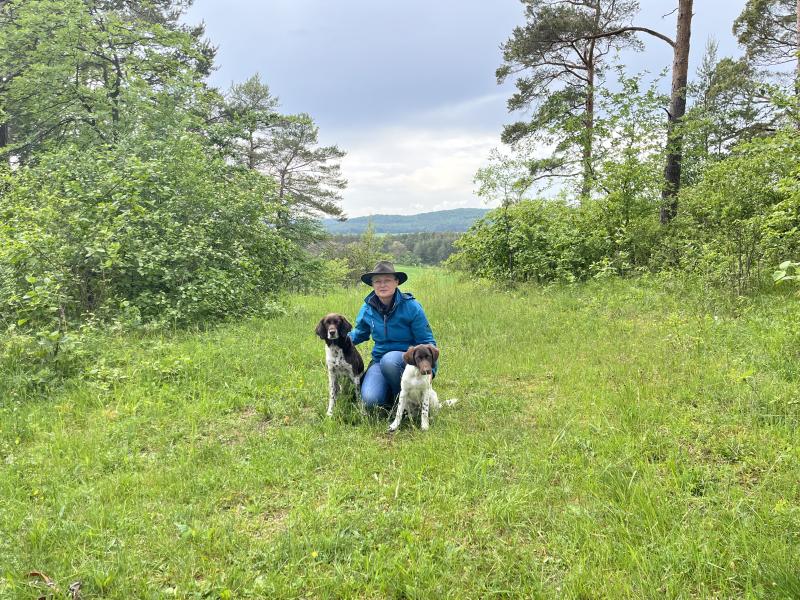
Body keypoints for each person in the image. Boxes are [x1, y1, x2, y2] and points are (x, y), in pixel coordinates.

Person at [348, 260, 437, 411]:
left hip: (408, 360)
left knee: (389, 361)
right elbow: (360, 333)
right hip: (379, 361)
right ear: (372, 285)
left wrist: (430, 371)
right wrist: (338, 341)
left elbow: (427, 341)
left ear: (396, 282)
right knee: (370, 401)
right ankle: (391, 396)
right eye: (377, 281)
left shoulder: (411, 306)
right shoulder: (367, 307)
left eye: (387, 280)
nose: (382, 285)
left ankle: (403, 404)